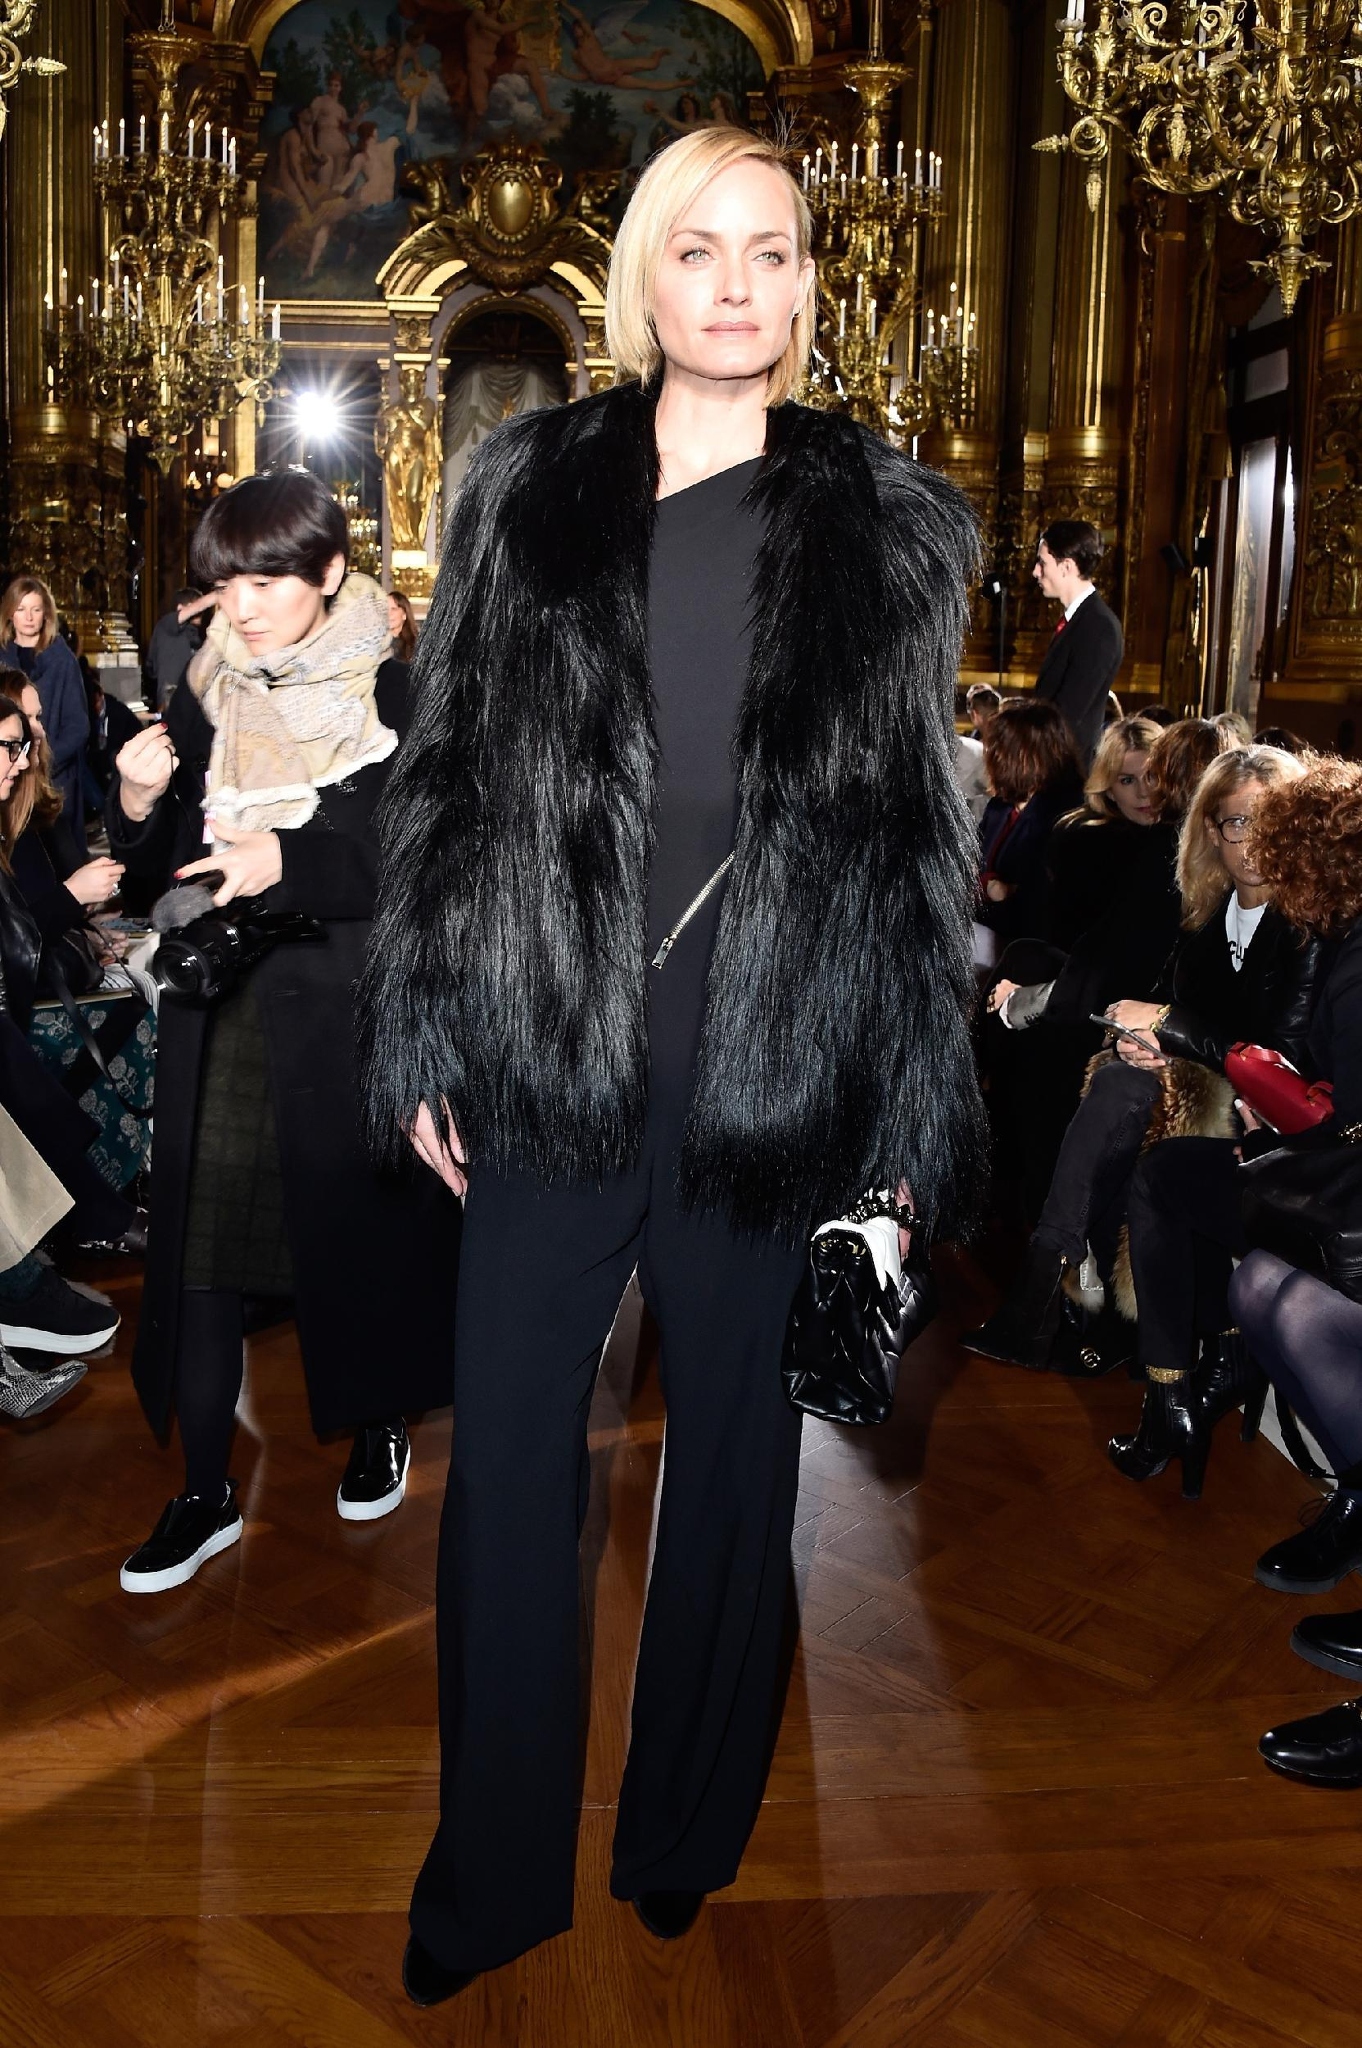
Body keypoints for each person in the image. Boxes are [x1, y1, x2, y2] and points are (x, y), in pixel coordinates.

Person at [356, 125, 984, 2005]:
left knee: (729, 1467)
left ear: (807, 284)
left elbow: (908, 842)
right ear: (642, 275)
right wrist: (426, 1020)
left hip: (768, 1050)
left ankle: (683, 1832)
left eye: (770, 250)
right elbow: (451, 780)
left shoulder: (888, 521)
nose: (734, 283)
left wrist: (899, 1118)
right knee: (505, 1473)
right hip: (547, 1036)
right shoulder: (526, 486)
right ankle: (491, 1876)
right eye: (698, 248)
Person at [106, 469, 459, 1596]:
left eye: (266, 581)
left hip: (344, 1011)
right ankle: (205, 1489)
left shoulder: (395, 696)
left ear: (330, 573)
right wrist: (136, 807)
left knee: (352, 1240)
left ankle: (377, 1420)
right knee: (203, 1260)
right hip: (220, 1012)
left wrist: (288, 859)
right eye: (224, 585)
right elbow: (163, 878)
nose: (241, 607)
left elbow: (427, 868)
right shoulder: (207, 693)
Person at [967, 745, 1316, 1380]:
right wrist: (1150, 1041)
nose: (1254, 842)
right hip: (1196, 1076)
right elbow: (1170, 1003)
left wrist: (1169, 1031)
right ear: (1212, 830)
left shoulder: (1303, 923)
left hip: (1269, 1110)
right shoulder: (1206, 910)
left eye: (1269, 822)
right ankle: (1064, 1291)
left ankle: (1048, 1292)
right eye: (1238, 822)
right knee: (1117, 1080)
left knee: (1120, 1097)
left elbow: (1281, 1056)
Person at [1108, 756, 1362, 1506]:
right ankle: (1182, 1392)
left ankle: (1186, 1396)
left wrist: (1275, 1114)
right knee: (1159, 1161)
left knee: (1177, 1186)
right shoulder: (1330, 933)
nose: (1262, 857)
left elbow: (1332, 1101)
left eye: (1277, 841)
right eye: (1241, 828)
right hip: (1317, 1165)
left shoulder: (1336, 947)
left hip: (1339, 1195)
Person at [976, 698, 1084, 948]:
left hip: (1029, 944)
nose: (991, 756)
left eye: (1001, 748)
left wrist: (1001, 891)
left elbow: (1039, 900)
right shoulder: (1000, 807)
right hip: (985, 928)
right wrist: (991, 885)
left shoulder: (1065, 817)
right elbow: (972, 865)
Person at [0, 577, 89, 856]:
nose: (28, 617)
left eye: (36, 609)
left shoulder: (63, 660)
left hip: (55, 774)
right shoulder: (2, 658)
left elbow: (78, 726)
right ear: (9, 613)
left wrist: (45, 760)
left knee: (60, 856)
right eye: (21, 609)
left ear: (46, 614)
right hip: (10, 769)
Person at [1031, 520, 1124, 768]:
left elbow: (1069, 715)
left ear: (1067, 567)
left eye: (1042, 563)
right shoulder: (1080, 619)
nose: (1036, 572)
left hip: (1066, 770)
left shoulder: (1099, 626)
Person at [142, 589, 208, 711]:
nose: (201, 611)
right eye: (196, 606)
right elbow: (151, 668)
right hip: (171, 698)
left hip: (191, 698)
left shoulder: (196, 637)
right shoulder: (167, 624)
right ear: (180, 608)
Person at [387, 588, 418, 663]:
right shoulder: (375, 644)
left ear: (404, 615)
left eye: (394, 609)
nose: (388, 613)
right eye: (385, 609)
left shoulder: (416, 645)